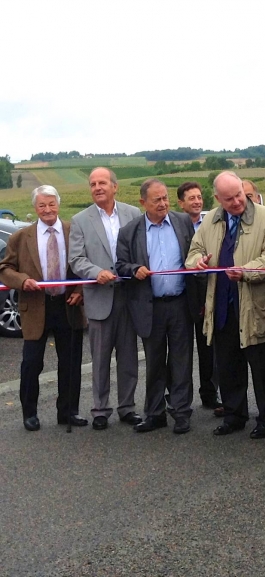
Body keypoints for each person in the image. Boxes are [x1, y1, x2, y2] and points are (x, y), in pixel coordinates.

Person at [186, 171, 265, 438]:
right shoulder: (210, 222)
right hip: (221, 305)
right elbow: (193, 251)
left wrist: (246, 271)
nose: (237, 202)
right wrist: (198, 262)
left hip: (255, 305)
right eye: (229, 199)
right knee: (229, 367)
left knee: (263, 368)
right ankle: (234, 415)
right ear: (218, 199)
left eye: (239, 195)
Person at [0, 185, 86, 431]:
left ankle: (67, 412)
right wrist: (22, 281)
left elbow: (85, 266)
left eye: (51, 204)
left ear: (58, 204)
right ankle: (30, 413)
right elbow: (5, 269)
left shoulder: (73, 231)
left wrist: (80, 291)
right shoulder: (21, 237)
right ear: (35, 208)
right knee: (31, 363)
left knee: (70, 362)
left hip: (67, 305)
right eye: (42, 205)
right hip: (35, 305)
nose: (47, 209)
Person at [116, 180, 197, 434]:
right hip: (150, 306)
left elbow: (194, 255)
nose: (162, 204)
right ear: (143, 203)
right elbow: (120, 265)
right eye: (156, 200)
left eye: (165, 198)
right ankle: (155, 413)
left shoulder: (183, 222)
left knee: (181, 361)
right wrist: (133, 269)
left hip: (180, 303)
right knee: (154, 363)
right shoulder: (130, 231)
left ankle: (182, 413)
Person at [69, 168, 142, 430]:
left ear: (115, 186)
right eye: (92, 184)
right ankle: (100, 410)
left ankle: (127, 407)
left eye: (102, 183)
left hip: (128, 296)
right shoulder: (80, 220)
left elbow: (140, 250)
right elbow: (76, 259)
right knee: (99, 359)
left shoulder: (133, 214)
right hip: (99, 297)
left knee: (129, 357)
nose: (97, 187)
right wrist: (95, 272)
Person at [177, 181, 220, 412]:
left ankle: (210, 394)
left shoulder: (211, 223)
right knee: (180, 349)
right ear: (181, 203)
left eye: (199, 197)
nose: (196, 201)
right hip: (182, 295)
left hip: (205, 293)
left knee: (208, 347)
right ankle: (178, 397)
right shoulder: (175, 225)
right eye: (191, 198)